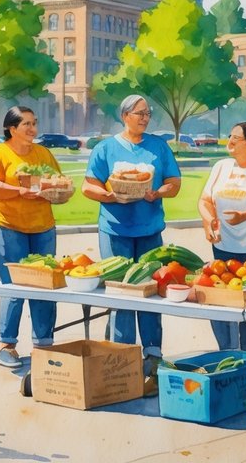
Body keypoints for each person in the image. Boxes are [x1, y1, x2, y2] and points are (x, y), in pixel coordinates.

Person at [82, 95, 182, 377]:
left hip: (150, 231)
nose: (145, 118)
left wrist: (157, 193)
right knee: (120, 292)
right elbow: (88, 187)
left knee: (150, 291)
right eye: (139, 113)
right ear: (125, 116)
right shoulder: (106, 149)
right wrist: (111, 197)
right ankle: (120, 353)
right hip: (116, 230)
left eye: (148, 113)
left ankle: (153, 353)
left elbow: (174, 183)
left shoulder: (158, 147)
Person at [0, 106, 64, 368]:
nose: (32, 129)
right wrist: (18, 190)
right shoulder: (0, 153)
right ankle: (6, 345)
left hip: (42, 227)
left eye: (34, 122)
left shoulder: (43, 153)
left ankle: (43, 344)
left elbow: (59, 182)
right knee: (13, 287)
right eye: (26, 124)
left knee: (44, 287)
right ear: (11, 128)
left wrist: (57, 189)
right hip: (7, 227)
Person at [198, 122, 246, 353]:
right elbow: (205, 201)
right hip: (223, 247)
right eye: (229, 137)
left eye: (235, 138)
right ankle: (227, 353)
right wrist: (210, 222)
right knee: (220, 303)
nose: (229, 142)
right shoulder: (221, 167)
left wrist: (245, 216)